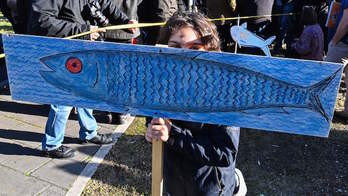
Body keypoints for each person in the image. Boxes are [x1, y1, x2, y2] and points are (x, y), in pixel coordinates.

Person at [145, 12, 247, 196]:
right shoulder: (161, 84)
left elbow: (225, 152)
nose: (183, 56)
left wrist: (173, 133)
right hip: (174, 183)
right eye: (175, 47)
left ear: (209, 49)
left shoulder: (224, 91)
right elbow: (153, 117)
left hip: (211, 188)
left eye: (194, 48)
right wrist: (151, 128)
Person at [27, 0, 136, 158]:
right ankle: (51, 145)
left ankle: (89, 132)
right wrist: (83, 30)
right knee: (62, 100)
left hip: (83, 49)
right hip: (63, 51)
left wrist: (124, 21)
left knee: (86, 91)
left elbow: (104, 3)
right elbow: (42, 20)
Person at [326, 0, 348, 116]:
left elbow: (346, 22)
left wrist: (334, 41)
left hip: (343, 43)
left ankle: (322, 111)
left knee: (328, 76)